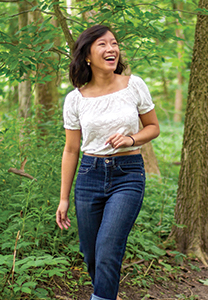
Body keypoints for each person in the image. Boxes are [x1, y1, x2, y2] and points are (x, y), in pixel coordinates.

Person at [54, 24, 160, 300]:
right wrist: (63, 198)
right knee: (91, 253)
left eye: (114, 43)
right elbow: (70, 149)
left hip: (127, 175)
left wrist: (132, 139)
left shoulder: (133, 85)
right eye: (102, 44)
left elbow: (152, 128)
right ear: (87, 55)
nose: (111, 49)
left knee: (108, 248)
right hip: (89, 175)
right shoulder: (75, 99)